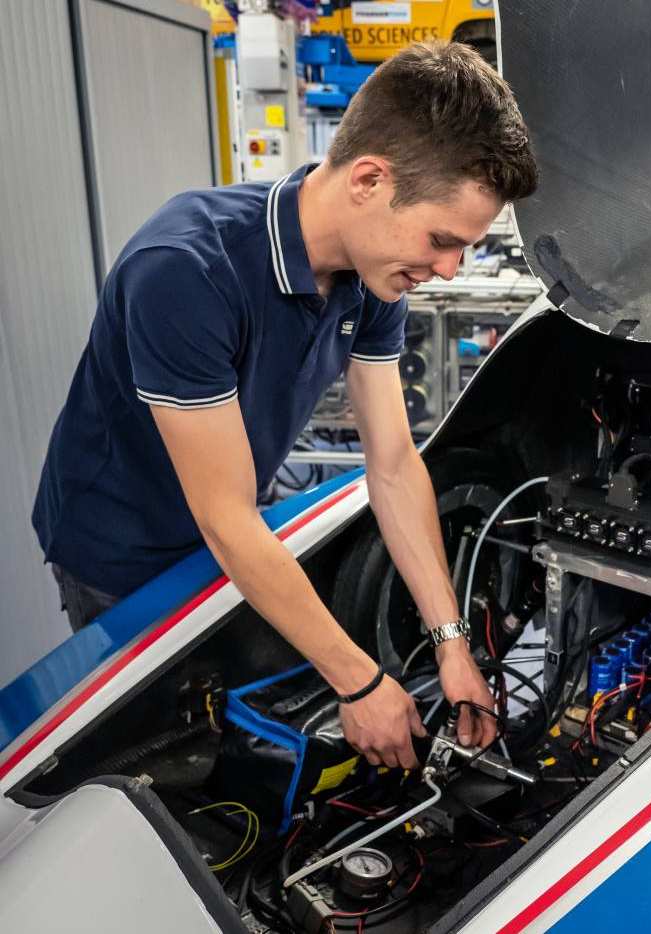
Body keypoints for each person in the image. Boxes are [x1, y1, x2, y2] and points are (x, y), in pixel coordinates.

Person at [32, 41, 538, 772]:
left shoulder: (374, 276)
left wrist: (450, 644)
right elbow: (225, 518)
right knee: (164, 758)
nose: (449, 269)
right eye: (441, 240)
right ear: (369, 179)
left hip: (234, 517)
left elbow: (393, 462)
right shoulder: (185, 270)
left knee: (262, 716)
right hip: (122, 549)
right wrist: (360, 681)